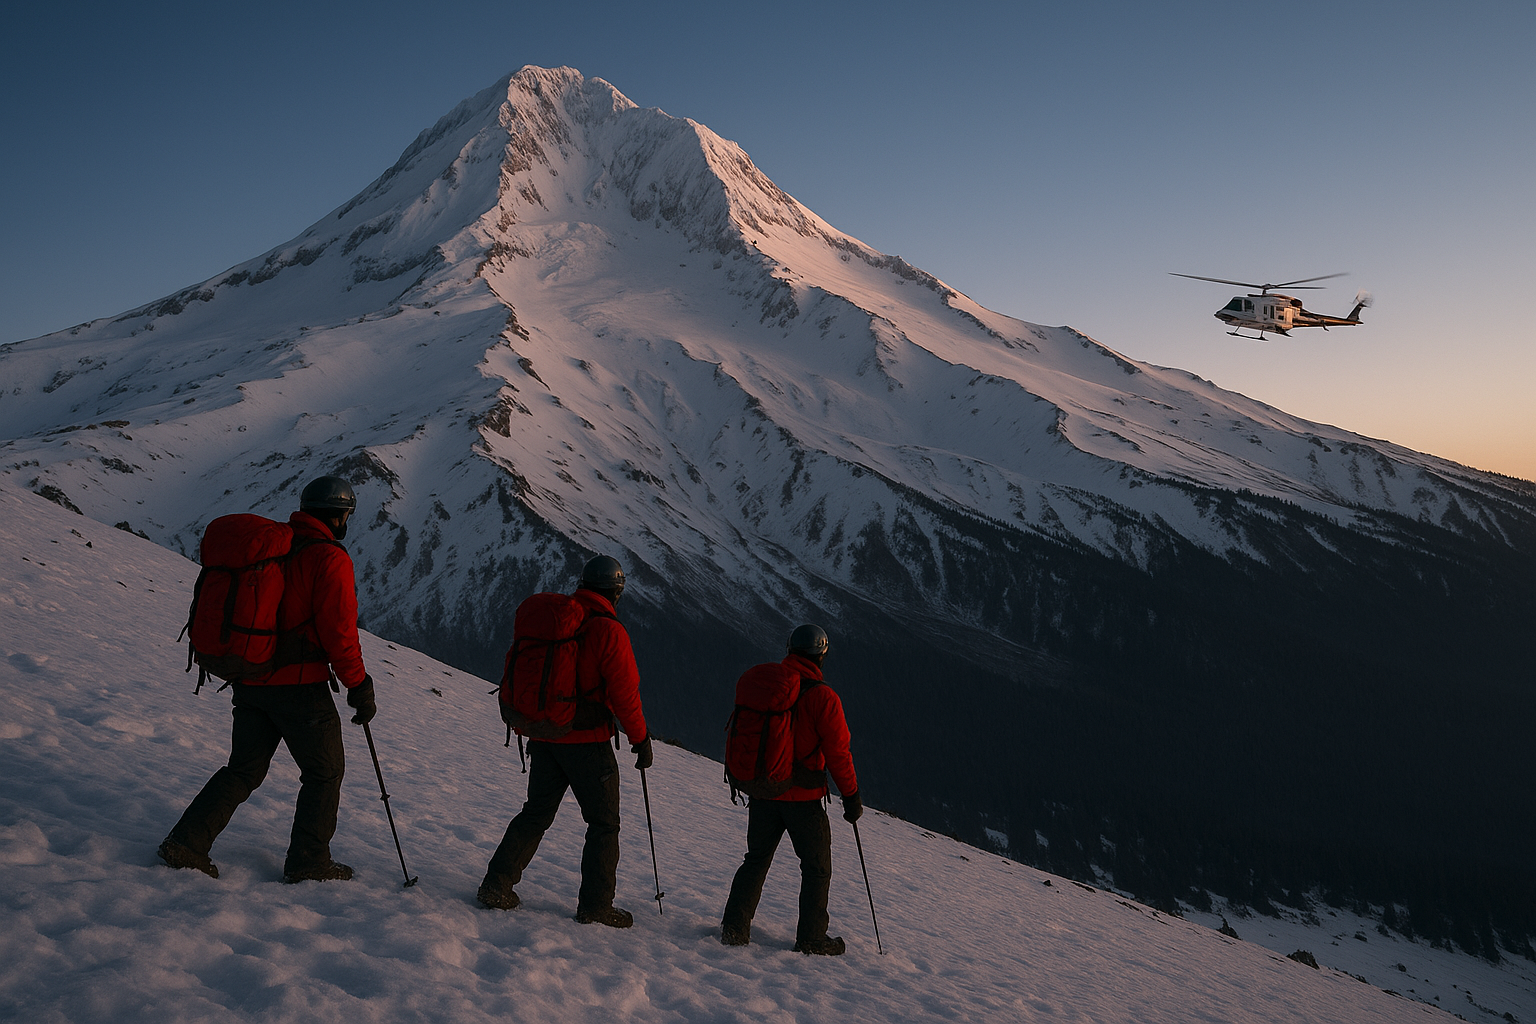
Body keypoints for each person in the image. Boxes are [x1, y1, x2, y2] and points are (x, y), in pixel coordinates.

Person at [157, 475, 376, 883]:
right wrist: (359, 686)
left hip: (251, 677)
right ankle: (309, 861)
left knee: (243, 768)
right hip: (299, 688)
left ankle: (186, 842)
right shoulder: (329, 558)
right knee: (324, 772)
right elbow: (340, 634)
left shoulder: (274, 548)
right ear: (339, 516)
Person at [477, 555, 653, 927]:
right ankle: (595, 906)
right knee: (604, 824)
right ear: (616, 591)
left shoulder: (558, 619)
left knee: (536, 813)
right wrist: (640, 739)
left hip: (546, 734)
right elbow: (625, 694)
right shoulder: (608, 630)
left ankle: (497, 883)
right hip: (588, 743)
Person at [720, 624, 861, 955]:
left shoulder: (769, 686)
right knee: (816, 868)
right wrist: (851, 796)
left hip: (765, 791)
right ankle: (811, 938)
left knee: (755, 859)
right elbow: (839, 753)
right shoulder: (824, 698)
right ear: (822, 656)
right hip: (804, 799)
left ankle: (734, 928)